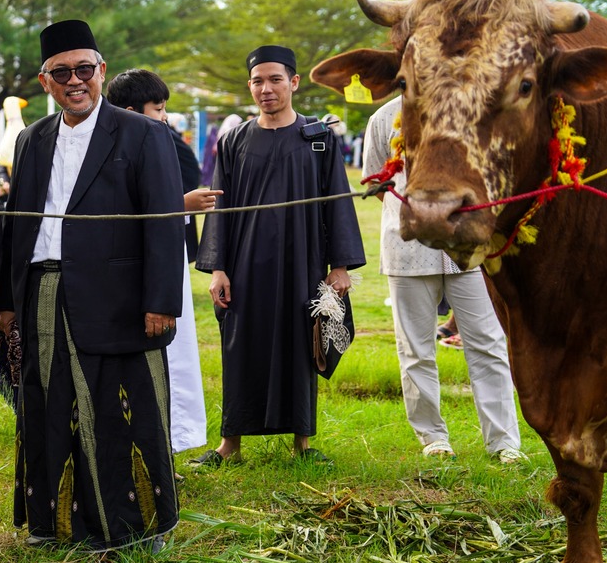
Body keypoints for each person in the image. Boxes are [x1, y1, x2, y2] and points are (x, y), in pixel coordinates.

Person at [0, 20, 185, 552]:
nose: (75, 80)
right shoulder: (31, 139)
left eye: (85, 69)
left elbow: (165, 221)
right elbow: (18, 223)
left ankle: (142, 529)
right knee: (48, 406)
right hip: (42, 293)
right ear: (45, 80)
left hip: (123, 299)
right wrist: (7, 302)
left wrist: (162, 300)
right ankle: (54, 526)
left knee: (126, 407)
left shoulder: (144, 133)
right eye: (62, 72)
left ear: (101, 70)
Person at [194, 45, 364, 466]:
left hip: (302, 262)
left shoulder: (318, 138)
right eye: (257, 81)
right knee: (239, 347)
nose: (265, 88)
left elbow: (337, 201)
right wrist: (218, 269)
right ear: (249, 86)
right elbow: (220, 205)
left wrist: (339, 266)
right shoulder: (234, 140)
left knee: (301, 345)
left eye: (274, 79)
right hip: (246, 265)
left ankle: (303, 440)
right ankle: (229, 444)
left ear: (293, 82)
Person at [363, 96, 525, 462]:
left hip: (468, 249)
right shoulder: (385, 117)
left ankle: (504, 442)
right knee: (416, 349)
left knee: (488, 343)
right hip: (407, 250)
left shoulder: (469, 107)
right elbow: (377, 181)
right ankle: (433, 437)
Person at [104, 68, 219, 457]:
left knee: (174, 355)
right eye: (159, 108)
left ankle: (166, 445)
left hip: (163, 264)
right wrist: (181, 204)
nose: (166, 117)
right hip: (118, 270)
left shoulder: (163, 141)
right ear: (134, 111)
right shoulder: (105, 146)